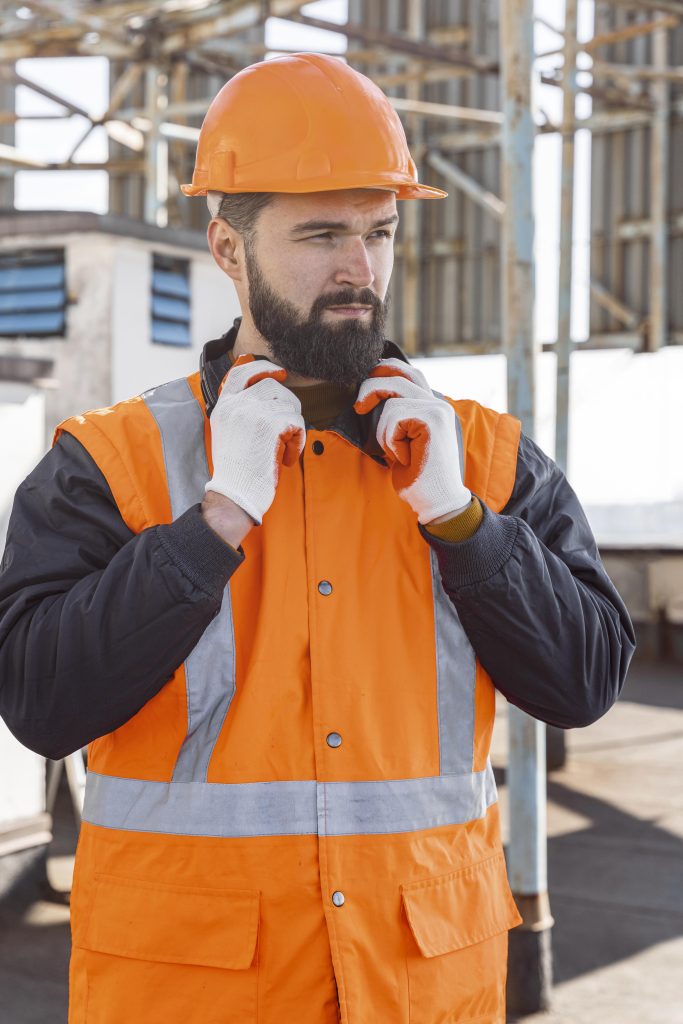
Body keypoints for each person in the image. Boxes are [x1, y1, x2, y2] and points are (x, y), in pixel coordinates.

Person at [0, 53, 634, 1024]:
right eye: (322, 234)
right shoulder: (108, 462)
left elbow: (582, 681)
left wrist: (462, 523)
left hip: (420, 990)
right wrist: (213, 524)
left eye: (378, 232)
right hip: (189, 995)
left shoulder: (483, 459)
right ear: (226, 248)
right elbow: (43, 702)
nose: (358, 268)